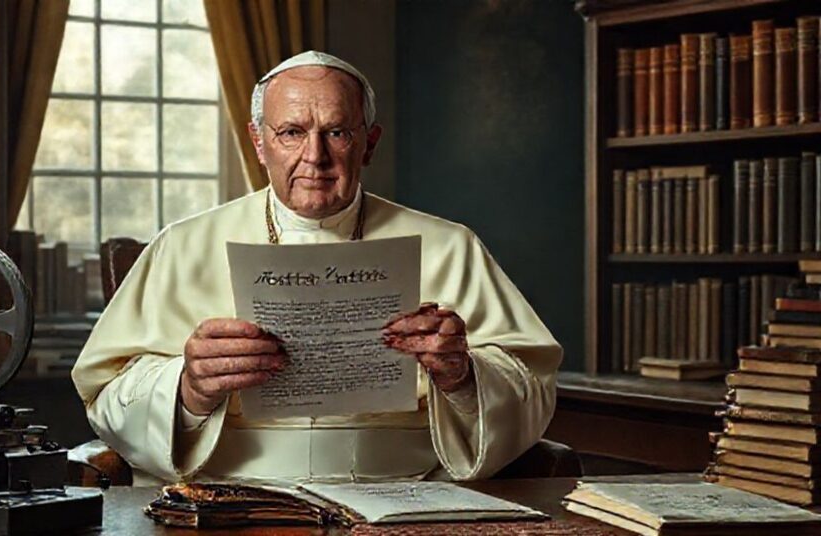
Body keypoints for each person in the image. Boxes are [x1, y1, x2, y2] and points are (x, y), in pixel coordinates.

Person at [71, 51, 562, 484]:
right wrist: (187, 388)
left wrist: (463, 377)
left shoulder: (451, 246)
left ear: (368, 142)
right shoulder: (181, 246)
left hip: (405, 492)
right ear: (259, 143)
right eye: (291, 133)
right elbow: (107, 395)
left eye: (337, 132)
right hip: (228, 496)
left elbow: (533, 391)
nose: (315, 156)